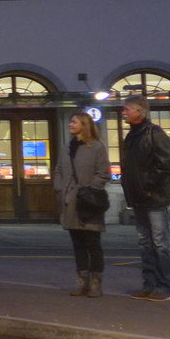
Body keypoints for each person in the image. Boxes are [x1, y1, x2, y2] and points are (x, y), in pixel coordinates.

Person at [120, 94, 170, 301]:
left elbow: (165, 163)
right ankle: (149, 285)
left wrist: (148, 184)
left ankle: (164, 287)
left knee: (160, 243)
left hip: (155, 197)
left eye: (127, 109)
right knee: (145, 243)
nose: (123, 113)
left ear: (139, 111)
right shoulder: (132, 136)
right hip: (139, 196)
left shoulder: (154, 133)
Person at [51, 112, 111, 297]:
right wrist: (59, 189)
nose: (70, 124)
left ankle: (96, 282)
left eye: (74, 122)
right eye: (70, 121)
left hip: (89, 202)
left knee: (93, 243)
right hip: (70, 202)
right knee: (78, 244)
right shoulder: (66, 147)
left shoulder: (97, 147)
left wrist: (89, 190)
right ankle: (82, 280)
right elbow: (58, 170)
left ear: (84, 125)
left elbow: (103, 173)